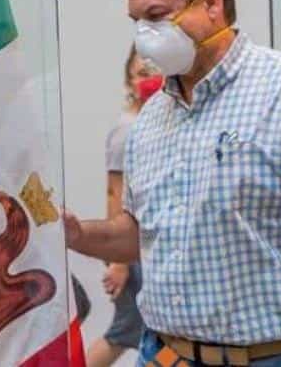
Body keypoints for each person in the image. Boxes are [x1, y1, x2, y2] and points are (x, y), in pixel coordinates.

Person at [65, 0, 281, 366]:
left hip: (269, 357)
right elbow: (140, 234)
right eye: (136, 21)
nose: (144, 37)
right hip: (163, 354)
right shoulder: (150, 119)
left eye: (156, 16)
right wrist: (77, 235)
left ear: (211, 2)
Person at [86, 48, 162, 367]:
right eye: (142, 73)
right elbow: (114, 193)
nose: (151, 80)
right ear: (129, 82)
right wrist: (118, 262)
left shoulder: (156, 123)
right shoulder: (127, 130)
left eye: (156, 72)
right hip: (133, 253)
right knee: (124, 333)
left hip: (150, 248)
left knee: (147, 336)